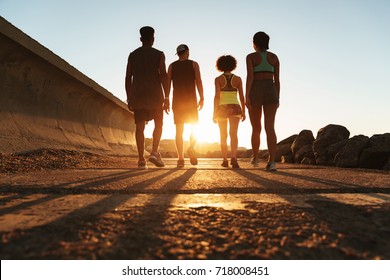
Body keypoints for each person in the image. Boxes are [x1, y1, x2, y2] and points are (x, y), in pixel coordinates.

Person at [125, 26, 169, 169]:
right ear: (153, 39)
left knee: (140, 127)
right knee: (159, 123)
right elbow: (163, 75)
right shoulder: (159, 54)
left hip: (138, 95)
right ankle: (154, 152)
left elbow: (128, 77)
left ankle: (141, 160)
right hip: (155, 94)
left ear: (140, 39)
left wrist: (129, 96)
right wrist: (167, 96)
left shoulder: (133, 55)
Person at [246, 31, 280, 171]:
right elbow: (277, 80)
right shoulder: (274, 57)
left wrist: (246, 95)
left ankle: (255, 158)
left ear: (254, 43)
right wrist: (277, 96)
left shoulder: (251, 57)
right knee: (270, 127)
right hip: (271, 88)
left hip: (256, 89)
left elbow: (250, 77)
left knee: (256, 127)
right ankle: (272, 162)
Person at [167, 44, 204, 167]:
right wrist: (202, 97)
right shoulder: (194, 64)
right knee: (194, 127)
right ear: (187, 52)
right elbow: (198, 80)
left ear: (178, 54)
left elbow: (167, 84)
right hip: (191, 102)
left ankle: (180, 159)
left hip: (177, 102)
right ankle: (191, 147)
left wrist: (166, 98)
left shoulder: (172, 66)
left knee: (179, 130)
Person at [213, 55, 246, 168]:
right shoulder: (238, 79)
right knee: (234, 134)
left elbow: (217, 96)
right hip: (235, 107)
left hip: (222, 107)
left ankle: (225, 160)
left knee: (223, 135)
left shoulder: (218, 80)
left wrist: (214, 112)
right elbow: (242, 96)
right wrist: (244, 111)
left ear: (220, 65)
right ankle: (234, 159)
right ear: (233, 65)